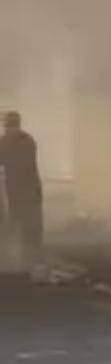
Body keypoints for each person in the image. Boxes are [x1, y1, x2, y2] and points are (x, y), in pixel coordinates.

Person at [0, 111, 43, 271]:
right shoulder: (28, 140)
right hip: (31, 188)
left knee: (19, 223)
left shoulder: (5, 142)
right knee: (32, 225)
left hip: (18, 189)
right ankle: (32, 259)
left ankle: (25, 261)